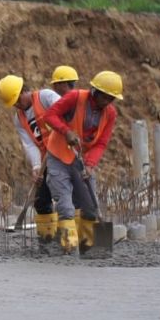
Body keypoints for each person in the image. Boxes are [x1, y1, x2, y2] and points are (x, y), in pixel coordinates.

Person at [42, 71, 122, 253]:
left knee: (90, 207)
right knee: (65, 204)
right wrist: (66, 131)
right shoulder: (75, 98)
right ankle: (68, 247)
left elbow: (101, 143)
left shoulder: (110, 113)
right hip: (59, 156)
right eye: (106, 97)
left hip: (81, 161)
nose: (108, 102)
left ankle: (90, 247)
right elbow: (50, 116)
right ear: (96, 91)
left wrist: (90, 164)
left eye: (112, 99)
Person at [0, 75, 62, 243]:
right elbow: (30, 144)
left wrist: (58, 133)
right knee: (40, 200)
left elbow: (67, 114)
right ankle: (48, 239)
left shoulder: (46, 97)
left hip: (66, 153)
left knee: (66, 196)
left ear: (24, 90)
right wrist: (36, 166)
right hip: (46, 158)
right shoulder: (19, 119)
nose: (17, 105)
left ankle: (75, 236)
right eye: (14, 104)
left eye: (18, 100)